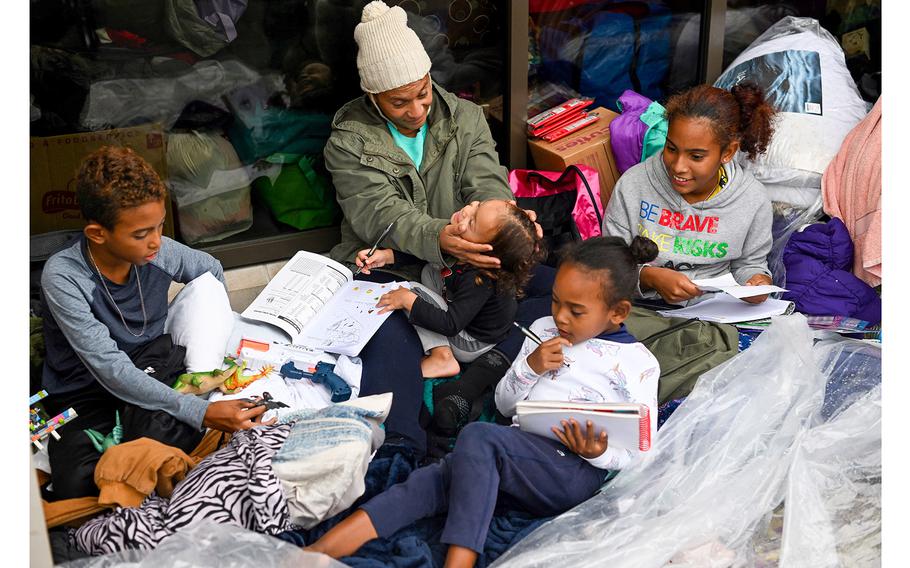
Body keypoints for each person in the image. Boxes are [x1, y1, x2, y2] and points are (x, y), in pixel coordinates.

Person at [306, 236, 661, 567]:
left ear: (618, 312)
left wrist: (598, 452)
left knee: (477, 437)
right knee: (435, 478)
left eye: (576, 311)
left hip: (570, 471)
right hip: (515, 455)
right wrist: (531, 367)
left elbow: (642, 451)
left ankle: (460, 562)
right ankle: (315, 553)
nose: (560, 316)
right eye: (555, 301)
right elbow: (507, 405)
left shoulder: (638, 364)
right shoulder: (543, 328)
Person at [322, 0, 543, 455]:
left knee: (553, 285)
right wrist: (442, 238)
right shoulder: (347, 140)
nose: (417, 109)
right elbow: (379, 214)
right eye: (398, 101)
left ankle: (484, 375)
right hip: (396, 266)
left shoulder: (466, 117)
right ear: (372, 95)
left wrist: (508, 223)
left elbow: (486, 182)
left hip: (469, 264)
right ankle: (405, 443)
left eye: (423, 92)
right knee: (390, 342)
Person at [39, 146, 272, 500]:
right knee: (76, 483)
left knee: (158, 439)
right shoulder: (64, 276)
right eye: (140, 233)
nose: (156, 241)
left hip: (151, 365)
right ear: (98, 234)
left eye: (160, 225)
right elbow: (110, 369)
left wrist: (211, 350)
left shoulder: (159, 251)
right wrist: (201, 412)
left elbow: (210, 270)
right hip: (83, 393)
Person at [603, 82, 778, 305]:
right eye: (671, 149)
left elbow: (749, 264)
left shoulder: (752, 199)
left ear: (728, 152)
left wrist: (757, 282)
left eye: (696, 157)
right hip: (641, 308)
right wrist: (648, 278)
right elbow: (607, 264)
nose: (678, 166)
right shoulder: (634, 184)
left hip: (715, 312)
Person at [358, 199, 544, 378]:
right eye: (477, 205)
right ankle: (437, 312)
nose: (467, 210)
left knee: (412, 290)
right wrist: (388, 256)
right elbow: (430, 255)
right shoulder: (461, 245)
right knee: (431, 269)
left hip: (470, 341)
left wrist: (408, 300)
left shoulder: (479, 280)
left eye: (471, 221)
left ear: (483, 252)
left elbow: (450, 324)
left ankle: (442, 357)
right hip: (463, 317)